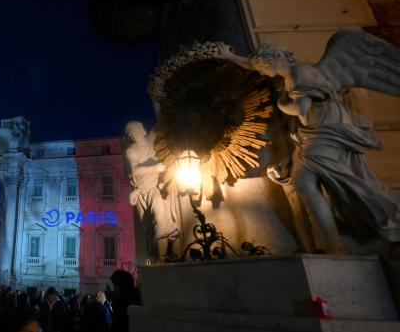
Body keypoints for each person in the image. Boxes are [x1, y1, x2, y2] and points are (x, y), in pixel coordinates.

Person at [215, 30, 400, 253]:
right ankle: (335, 243)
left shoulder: (298, 73)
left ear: (275, 61)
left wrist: (283, 103)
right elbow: (257, 65)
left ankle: (342, 241)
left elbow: (300, 109)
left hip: (325, 134)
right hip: (318, 134)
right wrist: (232, 57)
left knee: (312, 182)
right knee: (326, 183)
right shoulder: (293, 73)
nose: (264, 73)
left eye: (264, 69)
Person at [125, 120, 180, 262]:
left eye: (134, 130)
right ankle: (161, 248)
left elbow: (162, 122)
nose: (132, 134)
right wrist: (154, 168)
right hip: (144, 189)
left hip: (158, 185)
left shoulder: (152, 139)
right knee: (148, 224)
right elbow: (134, 170)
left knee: (159, 211)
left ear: (142, 130)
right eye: (130, 133)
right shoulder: (131, 151)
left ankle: (164, 245)